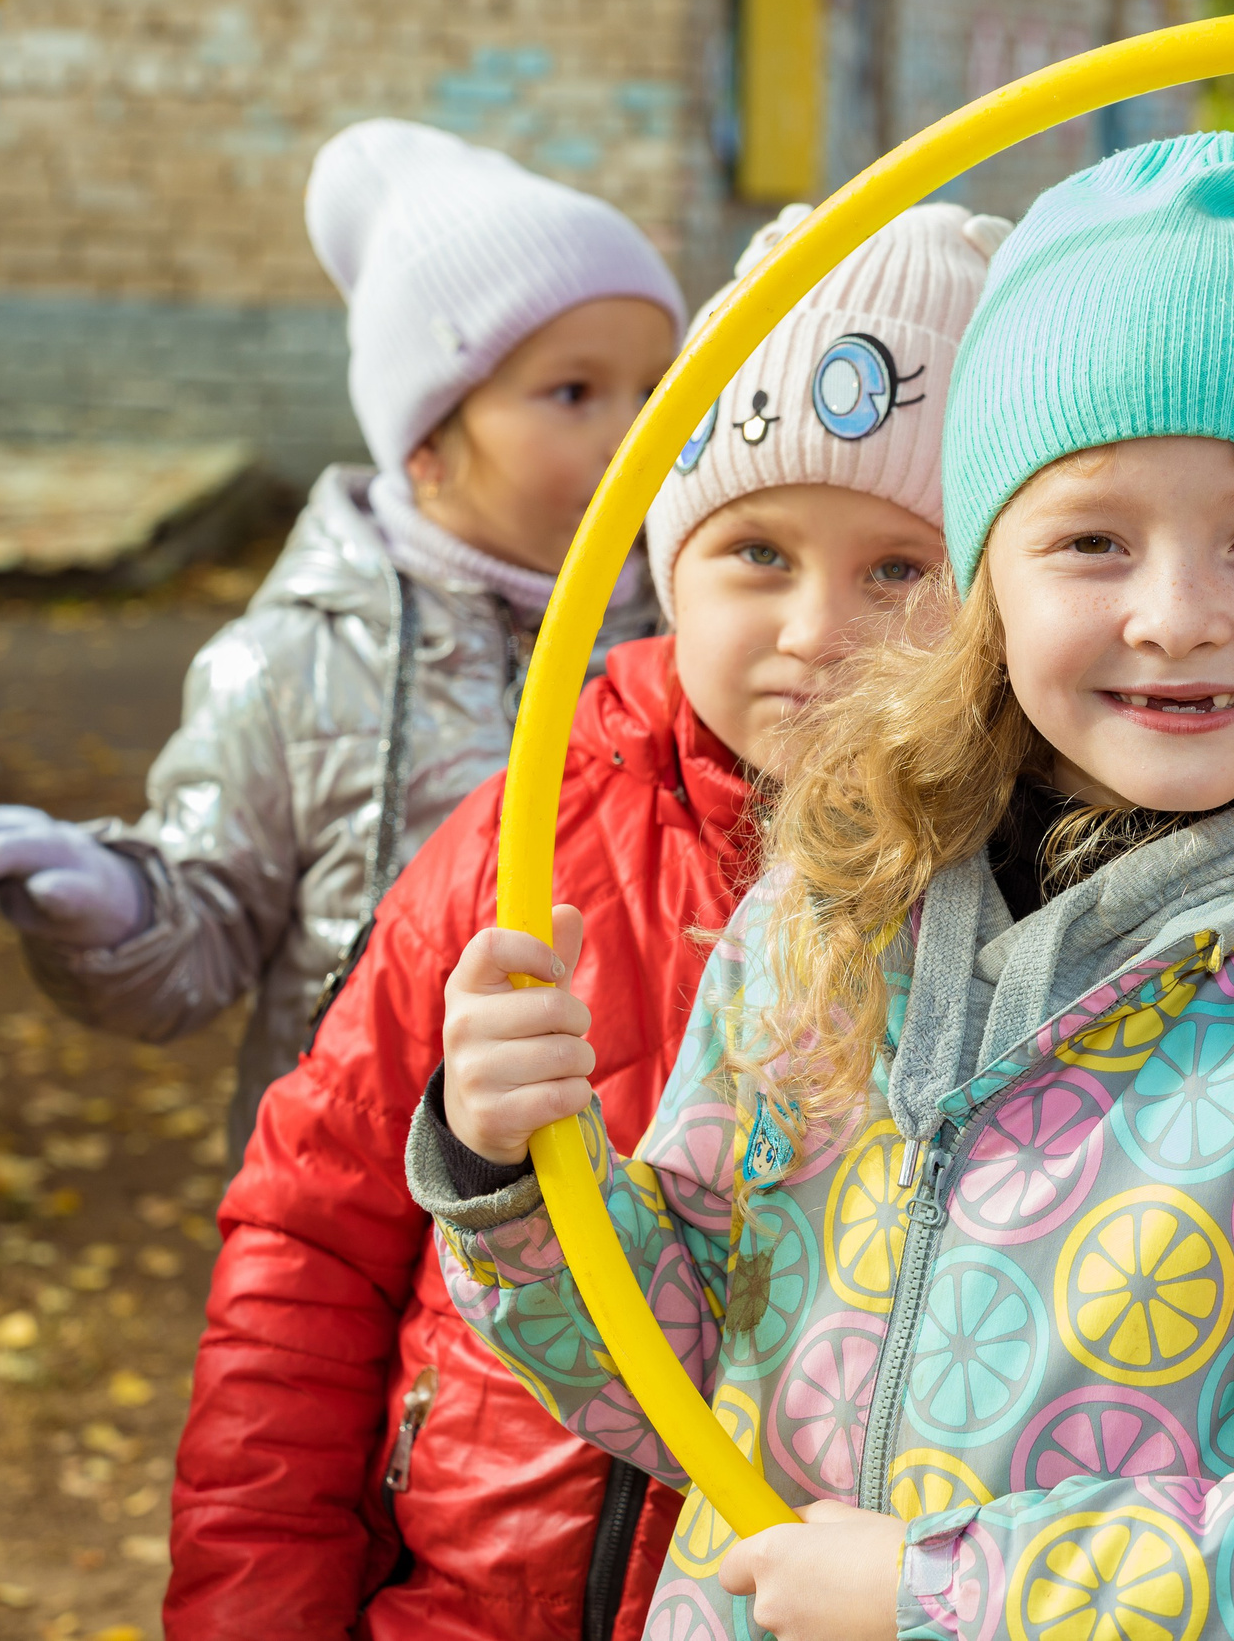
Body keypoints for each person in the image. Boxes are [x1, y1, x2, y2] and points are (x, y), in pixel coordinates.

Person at [415, 133, 1234, 1639]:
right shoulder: (827, 913)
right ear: (987, 579)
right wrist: (516, 1175)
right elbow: (686, 1362)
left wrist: (942, 1594)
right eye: (1092, 537)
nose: (1173, 616)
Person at [161, 202, 1006, 1641]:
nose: (815, 629)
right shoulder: (524, 836)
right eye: (756, 551)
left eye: (899, 568)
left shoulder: (1022, 903)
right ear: (671, 554)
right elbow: (312, 1242)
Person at [0, 120, 681, 1159]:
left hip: (641, 1218)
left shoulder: (691, 644)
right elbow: (204, 935)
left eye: (657, 388)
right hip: (353, 1207)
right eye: (574, 392)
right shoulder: (292, 668)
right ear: (428, 440)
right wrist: (121, 906)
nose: (636, 433)